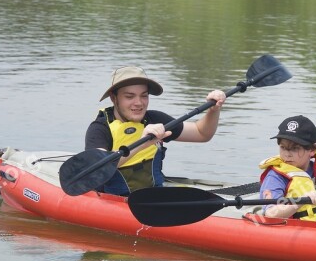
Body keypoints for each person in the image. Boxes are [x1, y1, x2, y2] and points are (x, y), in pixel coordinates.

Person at [85, 66, 227, 195]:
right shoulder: (100, 129)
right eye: (129, 96)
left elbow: (201, 133)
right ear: (114, 98)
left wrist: (213, 110)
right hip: (111, 202)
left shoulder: (155, 119)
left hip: (152, 197)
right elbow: (97, 169)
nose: (139, 103)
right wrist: (142, 143)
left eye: (144, 95)